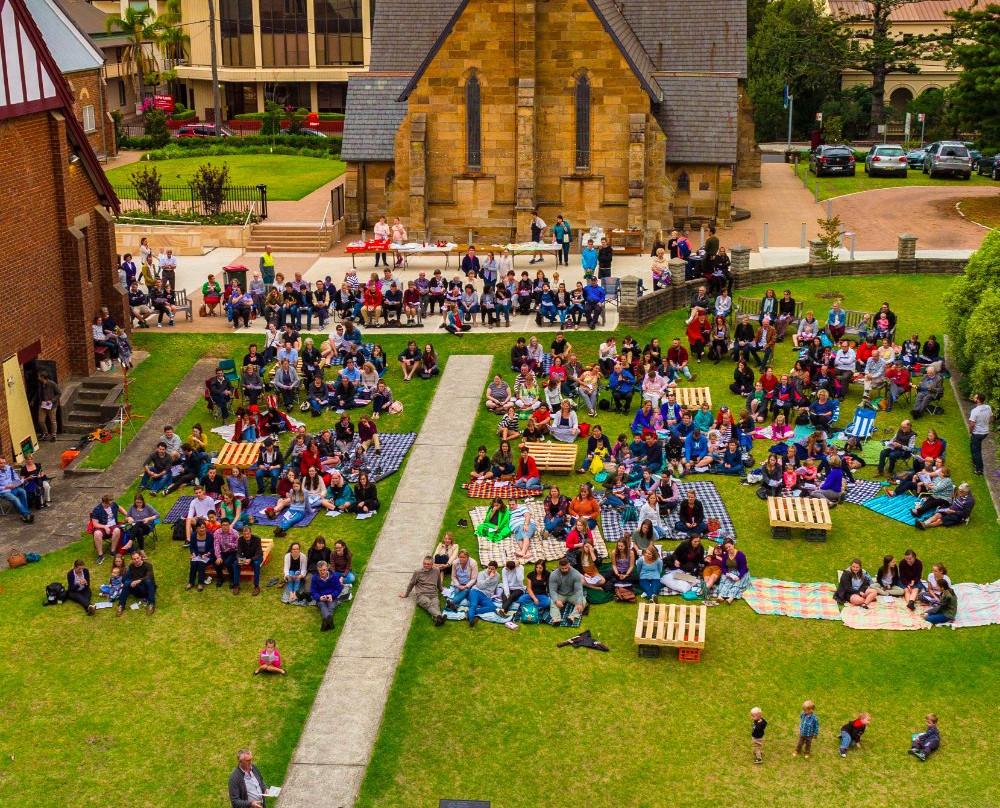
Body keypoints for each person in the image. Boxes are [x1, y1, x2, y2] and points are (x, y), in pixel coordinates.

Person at [398, 556, 446, 626]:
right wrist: (406, 594)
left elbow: (438, 582)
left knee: (436, 604)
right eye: (424, 563)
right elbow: (411, 583)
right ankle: (440, 616)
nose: (426, 565)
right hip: (421, 594)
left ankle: (436, 619)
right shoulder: (417, 572)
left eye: (428, 564)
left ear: (432, 564)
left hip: (433, 594)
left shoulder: (436, 570)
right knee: (428, 604)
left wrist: (441, 589)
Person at [117, 551, 156, 615]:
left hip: (147, 589)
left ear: (141, 557)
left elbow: (150, 576)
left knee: (148, 581)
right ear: (132, 560)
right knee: (127, 583)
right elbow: (126, 579)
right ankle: (121, 606)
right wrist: (131, 582)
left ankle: (151, 605)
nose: (136, 560)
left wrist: (139, 580)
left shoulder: (148, 565)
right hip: (137, 589)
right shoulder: (131, 566)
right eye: (134, 559)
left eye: (138, 558)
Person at [548, 556, 585, 624]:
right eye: (562, 568)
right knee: (552, 602)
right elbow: (552, 590)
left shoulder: (576, 574)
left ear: (569, 565)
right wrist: (556, 601)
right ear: (559, 566)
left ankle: (572, 617)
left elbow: (579, 589)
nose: (564, 570)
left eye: (566, 568)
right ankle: (556, 619)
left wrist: (579, 603)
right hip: (560, 594)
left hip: (572, 594)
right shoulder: (553, 575)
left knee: (583, 601)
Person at [312, 560, 344, 631]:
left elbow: (338, 589)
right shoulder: (314, 578)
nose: (322, 572)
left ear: (327, 569)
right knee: (323, 606)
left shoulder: (334, 576)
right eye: (320, 570)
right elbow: (313, 591)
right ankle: (330, 624)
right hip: (321, 598)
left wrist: (332, 595)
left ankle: (325, 622)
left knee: (331, 607)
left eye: (324, 570)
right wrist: (319, 597)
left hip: (332, 597)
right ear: (318, 570)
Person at [0, 456, 32, 523]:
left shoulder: (9, 468)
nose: (3, 465)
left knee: (23, 491)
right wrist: (7, 487)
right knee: (15, 499)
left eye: (4, 463)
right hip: (3, 491)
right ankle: (26, 514)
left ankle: (24, 514)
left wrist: (15, 484)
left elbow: (16, 478)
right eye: (1, 463)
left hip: (13, 488)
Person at [968, 392, 993, 475]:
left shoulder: (975, 411)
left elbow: (972, 424)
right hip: (985, 432)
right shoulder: (988, 407)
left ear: (978, 400)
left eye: (975, 397)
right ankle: (975, 461)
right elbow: (991, 418)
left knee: (976, 451)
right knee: (974, 447)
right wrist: (986, 425)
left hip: (977, 433)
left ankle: (979, 470)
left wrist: (971, 432)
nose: (974, 398)